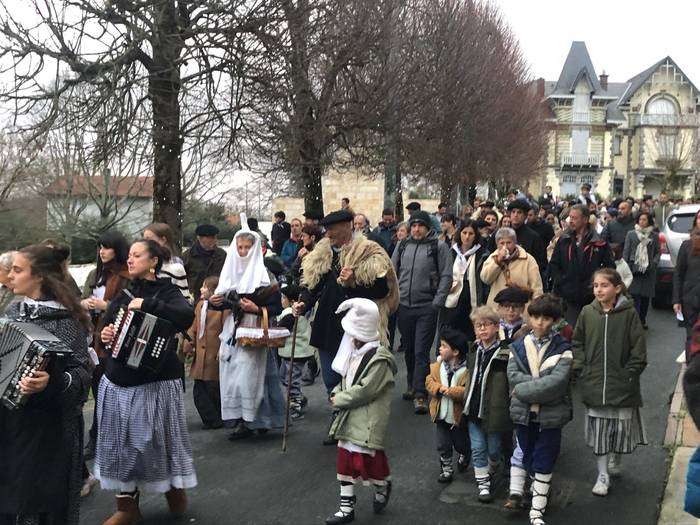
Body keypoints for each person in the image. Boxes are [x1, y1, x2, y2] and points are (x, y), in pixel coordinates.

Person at [96, 239, 196, 522]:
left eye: (137, 255)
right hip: (118, 379)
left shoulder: (167, 291)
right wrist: (106, 336)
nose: (130, 260)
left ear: (153, 262)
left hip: (156, 379)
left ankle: (173, 487)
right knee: (121, 444)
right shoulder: (124, 292)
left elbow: (185, 316)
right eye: (129, 255)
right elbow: (108, 326)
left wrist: (149, 304)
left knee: (156, 440)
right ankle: (127, 508)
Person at [2, 245, 91, 525]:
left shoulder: (66, 320)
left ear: (39, 276)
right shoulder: (14, 311)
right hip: (12, 424)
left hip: (51, 431)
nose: (10, 275)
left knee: (43, 507)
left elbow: (82, 376)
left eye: (18, 270)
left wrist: (53, 382)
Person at [295, 210, 398, 398]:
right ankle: (337, 420)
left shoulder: (369, 251)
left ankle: (353, 423)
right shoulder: (322, 253)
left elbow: (382, 291)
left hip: (358, 330)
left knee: (356, 383)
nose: (327, 234)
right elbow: (312, 286)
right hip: (327, 327)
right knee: (331, 383)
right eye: (326, 230)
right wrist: (303, 303)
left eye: (332, 229)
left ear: (347, 226)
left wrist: (353, 282)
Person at [572, 268, 647, 497]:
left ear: (617, 288)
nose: (599, 290)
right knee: (600, 432)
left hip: (622, 383)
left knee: (619, 429)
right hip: (594, 381)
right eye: (596, 285)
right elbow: (578, 342)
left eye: (604, 285)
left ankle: (617, 456)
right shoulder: (587, 312)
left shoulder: (629, 314)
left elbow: (638, 347)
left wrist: (630, 372)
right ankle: (602, 474)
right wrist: (582, 367)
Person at [211, 219, 287, 440]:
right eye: (240, 247)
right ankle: (243, 421)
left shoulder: (264, 275)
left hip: (255, 331)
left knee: (251, 376)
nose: (243, 251)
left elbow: (275, 306)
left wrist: (256, 308)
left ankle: (259, 420)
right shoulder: (230, 271)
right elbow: (227, 300)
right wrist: (218, 300)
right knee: (234, 376)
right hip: (234, 331)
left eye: (247, 247)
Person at [325, 298, 397, 525]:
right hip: (350, 415)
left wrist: (340, 399)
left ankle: (382, 485)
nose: (349, 339)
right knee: (345, 460)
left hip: (367, 417)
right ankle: (346, 508)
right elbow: (346, 379)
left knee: (367, 461)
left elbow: (366, 390)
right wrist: (337, 391)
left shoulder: (379, 360)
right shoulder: (355, 354)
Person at [505, 295, 573, 524]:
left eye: (545, 318)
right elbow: (512, 375)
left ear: (554, 320)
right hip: (524, 415)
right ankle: (533, 493)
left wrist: (522, 390)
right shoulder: (518, 346)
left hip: (550, 416)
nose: (539, 322)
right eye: (535, 317)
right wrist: (537, 383)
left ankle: (537, 511)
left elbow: (557, 383)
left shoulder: (563, 348)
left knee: (545, 459)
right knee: (528, 456)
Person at [392, 210, 452, 414]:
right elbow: (393, 271)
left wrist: (438, 301)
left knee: (420, 351)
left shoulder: (439, 247)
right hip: (404, 306)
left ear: (428, 228)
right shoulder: (402, 246)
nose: (417, 229)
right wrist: (394, 298)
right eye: (414, 225)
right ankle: (411, 384)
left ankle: (420, 393)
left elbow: (446, 275)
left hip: (427, 306)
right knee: (409, 348)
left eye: (421, 226)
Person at [80, 230, 131, 463]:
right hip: (96, 338)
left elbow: (132, 308)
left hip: (119, 339)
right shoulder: (94, 273)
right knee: (99, 390)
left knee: (115, 391)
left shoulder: (127, 275)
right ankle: (97, 439)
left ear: (117, 249)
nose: (102, 251)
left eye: (107, 247)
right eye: (100, 247)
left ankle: (115, 440)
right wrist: (85, 304)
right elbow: (81, 299)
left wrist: (106, 304)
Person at [463, 306, 511, 502]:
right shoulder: (473, 350)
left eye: (487, 325)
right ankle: (483, 483)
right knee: (477, 447)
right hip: (474, 406)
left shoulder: (505, 352)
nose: (482, 329)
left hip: (494, 409)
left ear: (496, 327)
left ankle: (492, 466)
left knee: (493, 448)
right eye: (478, 325)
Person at [549, 204, 614, 327]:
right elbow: (554, 264)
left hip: (590, 296)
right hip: (566, 296)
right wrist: (561, 281)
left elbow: (609, 267)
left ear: (585, 219)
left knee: (588, 330)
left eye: (574, 218)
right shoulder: (564, 240)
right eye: (570, 217)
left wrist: (595, 285)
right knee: (569, 331)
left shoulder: (598, 243)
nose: (571, 221)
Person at [425, 327, 471, 484]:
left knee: (461, 444)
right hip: (441, 415)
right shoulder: (436, 367)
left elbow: (468, 391)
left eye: (444, 346)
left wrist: (451, 391)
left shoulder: (467, 371)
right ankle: (446, 469)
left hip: (458, 416)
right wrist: (438, 389)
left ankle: (465, 454)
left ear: (456, 351)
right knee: (442, 444)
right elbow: (429, 381)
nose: (440, 348)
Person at [184, 276, 226, 430]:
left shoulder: (223, 310)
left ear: (214, 291)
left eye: (205, 287)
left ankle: (218, 417)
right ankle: (210, 419)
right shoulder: (200, 306)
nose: (201, 289)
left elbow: (225, 331)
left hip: (214, 354)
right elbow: (195, 327)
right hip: (201, 356)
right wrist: (189, 343)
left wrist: (223, 351)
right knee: (199, 389)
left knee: (213, 387)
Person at [442, 219, 489, 341]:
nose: (467, 237)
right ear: (459, 233)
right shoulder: (452, 252)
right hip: (452, 298)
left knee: (469, 335)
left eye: (471, 233)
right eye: (464, 233)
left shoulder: (482, 254)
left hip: (472, 297)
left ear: (475, 235)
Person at [276, 284, 315, 421]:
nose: (281, 300)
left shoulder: (289, 314)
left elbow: (281, 328)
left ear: (292, 302)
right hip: (300, 351)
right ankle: (299, 398)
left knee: (291, 380)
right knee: (285, 378)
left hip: (294, 353)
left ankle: (295, 406)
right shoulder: (302, 312)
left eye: (283, 298)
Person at [480, 227, 543, 310]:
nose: (505, 246)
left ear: (515, 242)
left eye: (509, 242)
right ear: (497, 244)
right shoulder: (493, 257)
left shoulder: (528, 259)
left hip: (521, 308)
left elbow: (537, 287)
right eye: (501, 243)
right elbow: (486, 279)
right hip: (497, 308)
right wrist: (498, 261)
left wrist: (536, 308)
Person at [623, 212, 660, 329]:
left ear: (649, 221)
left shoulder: (654, 235)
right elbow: (626, 251)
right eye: (640, 219)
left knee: (645, 298)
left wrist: (653, 263)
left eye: (644, 220)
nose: (642, 222)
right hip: (634, 269)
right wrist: (626, 266)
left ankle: (642, 319)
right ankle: (634, 321)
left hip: (648, 270)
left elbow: (658, 252)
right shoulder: (631, 234)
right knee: (633, 297)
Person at [673, 209, 700, 357]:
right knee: (692, 338)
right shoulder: (687, 245)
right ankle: (692, 370)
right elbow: (679, 274)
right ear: (696, 221)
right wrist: (676, 299)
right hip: (691, 299)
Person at [144, 223, 191, 300]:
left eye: (148, 239)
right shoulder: (146, 261)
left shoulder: (175, 262)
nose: (145, 243)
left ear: (163, 240)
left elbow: (183, 294)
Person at [182, 223, 227, 302]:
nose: (215, 240)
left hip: (216, 300)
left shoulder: (222, 255)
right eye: (211, 238)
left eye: (215, 237)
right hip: (193, 301)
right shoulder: (187, 256)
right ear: (199, 238)